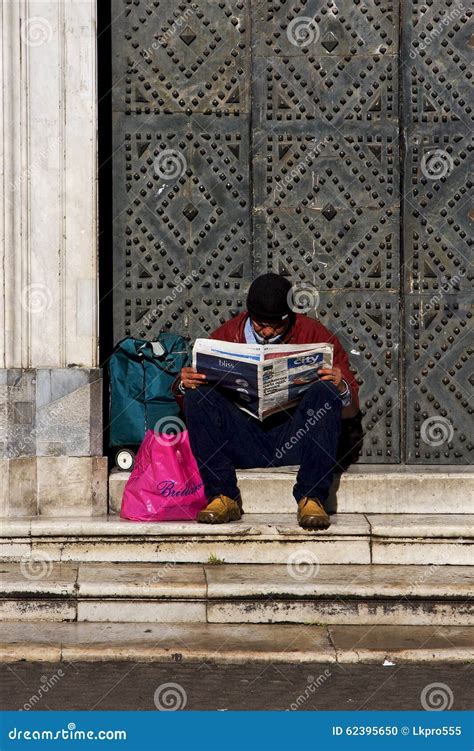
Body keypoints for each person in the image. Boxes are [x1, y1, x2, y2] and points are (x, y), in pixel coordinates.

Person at [174, 273, 360, 530]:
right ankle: (222, 496)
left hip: (296, 437)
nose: (269, 332)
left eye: (277, 325)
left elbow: (350, 407)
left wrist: (340, 385)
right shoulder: (227, 334)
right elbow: (192, 403)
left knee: (326, 392)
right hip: (243, 439)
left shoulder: (315, 334)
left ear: (289, 317)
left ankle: (312, 497)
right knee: (198, 394)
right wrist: (185, 384)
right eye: (261, 325)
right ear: (249, 316)